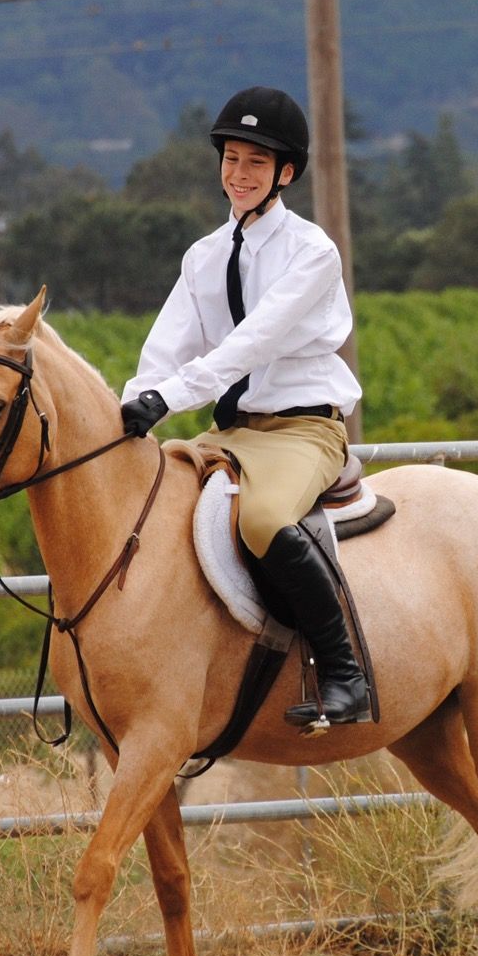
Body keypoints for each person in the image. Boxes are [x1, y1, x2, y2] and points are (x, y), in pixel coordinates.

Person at [118, 85, 369, 728]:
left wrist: (169, 398)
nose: (239, 174)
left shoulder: (312, 252)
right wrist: (132, 406)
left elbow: (247, 345)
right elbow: (166, 344)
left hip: (303, 431)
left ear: (285, 173)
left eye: (256, 163)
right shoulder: (203, 257)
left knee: (260, 518)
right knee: (148, 498)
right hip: (231, 430)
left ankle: (345, 673)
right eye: (231, 159)